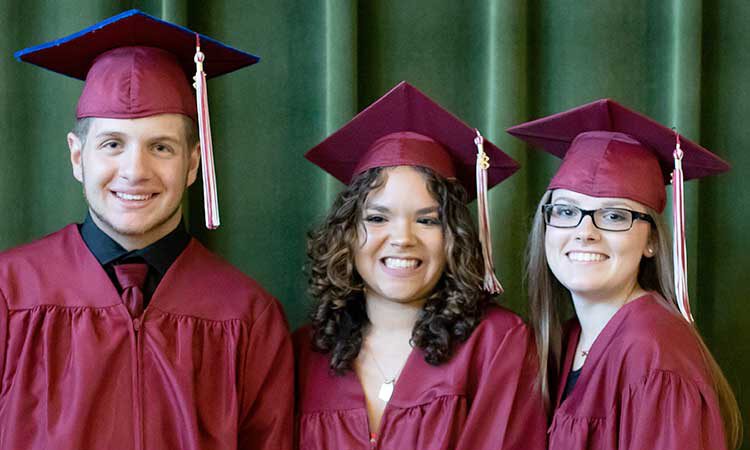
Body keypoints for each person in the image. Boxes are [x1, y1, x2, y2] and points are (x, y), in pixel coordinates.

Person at [0, 10, 293, 449]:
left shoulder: (248, 316)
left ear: (193, 162)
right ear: (77, 157)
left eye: (161, 147)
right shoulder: (10, 294)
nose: (135, 171)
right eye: (112, 144)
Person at [294, 81, 547, 449]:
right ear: (347, 232)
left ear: (454, 236)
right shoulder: (307, 351)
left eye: (428, 220)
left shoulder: (497, 344)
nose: (402, 238)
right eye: (378, 218)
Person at [508, 98, 743, 449]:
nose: (585, 231)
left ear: (651, 241)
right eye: (566, 210)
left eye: (615, 215)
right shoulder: (571, 338)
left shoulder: (655, 355)